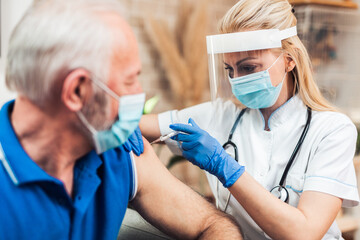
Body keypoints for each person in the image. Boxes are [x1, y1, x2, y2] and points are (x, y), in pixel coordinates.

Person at [0, 0, 243, 239]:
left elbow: (212, 224)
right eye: (129, 81)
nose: (140, 93)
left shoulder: (119, 150)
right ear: (77, 91)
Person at [140, 0, 360, 239]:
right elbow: (139, 127)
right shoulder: (222, 115)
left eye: (248, 68)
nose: (237, 80)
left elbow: (304, 233)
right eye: (230, 70)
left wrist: (226, 168)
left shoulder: (332, 130)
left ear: (289, 59)